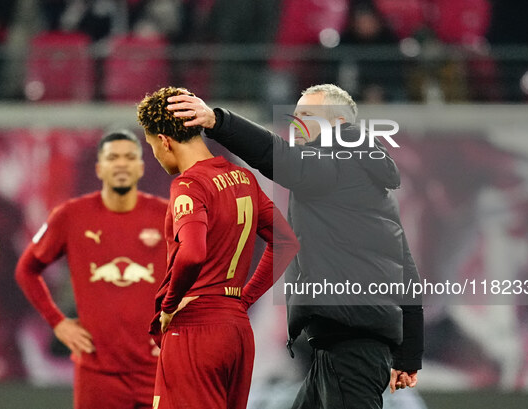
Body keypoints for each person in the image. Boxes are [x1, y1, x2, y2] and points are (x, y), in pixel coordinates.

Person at [166, 83, 424, 409]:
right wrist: (409, 355)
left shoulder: (338, 158)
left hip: (350, 346)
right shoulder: (368, 183)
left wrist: (217, 121)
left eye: (307, 114)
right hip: (341, 348)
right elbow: (409, 277)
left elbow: (279, 157)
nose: (295, 123)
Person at [136, 86, 299, 409]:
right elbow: (286, 241)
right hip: (237, 329)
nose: (155, 154)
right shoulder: (242, 178)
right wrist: (245, 299)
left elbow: (192, 253)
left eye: (152, 145)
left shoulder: (188, 186)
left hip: (196, 325)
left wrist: (169, 306)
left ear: (164, 141)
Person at [15, 130, 168, 409]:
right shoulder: (70, 216)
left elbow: (200, 272)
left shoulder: (167, 216)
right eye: (113, 158)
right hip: (97, 373)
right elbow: (27, 269)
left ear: (140, 166)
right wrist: (58, 322)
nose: (121, 164)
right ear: (99, 167)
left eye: (128, 157)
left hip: (156, 369)